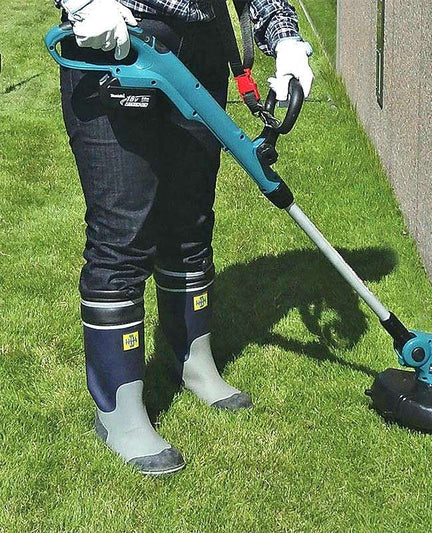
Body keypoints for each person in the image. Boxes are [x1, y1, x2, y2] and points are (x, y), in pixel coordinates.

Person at [56, 0, 314, 475]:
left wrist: (286, 38)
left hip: (200, 48)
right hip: (114, 39)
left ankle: (192, 361)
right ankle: (118, 410)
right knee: (122, 231)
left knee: (191, 219)